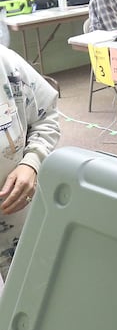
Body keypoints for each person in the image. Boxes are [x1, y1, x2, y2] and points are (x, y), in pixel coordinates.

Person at [0, 44, 60, 281]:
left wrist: (31, 162)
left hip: (18, 219)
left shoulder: (6, 63)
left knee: (31, 290)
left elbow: (47, 116)